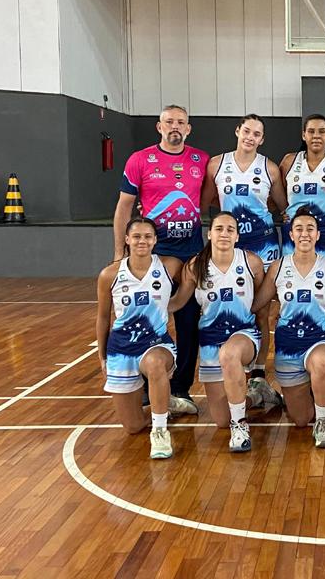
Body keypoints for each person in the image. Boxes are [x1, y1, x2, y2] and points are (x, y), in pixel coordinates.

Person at [113, 105, 210, 416]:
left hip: (192, 253)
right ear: (159, 127)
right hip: (154, 254)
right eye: (169, 122)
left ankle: (180, 388)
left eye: (181, 122)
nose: (175, 126)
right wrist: (120, 253)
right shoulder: (140, 159)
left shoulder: (200, 159)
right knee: (148, 321)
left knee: (189, 323)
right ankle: (146, 387)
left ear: (189, 128)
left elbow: (206, 201)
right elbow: (123, 208)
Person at [205, 114, 286, 413]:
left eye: (258, 134)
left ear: (262, 139)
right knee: (230, 307)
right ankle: (229, 363)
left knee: (262, 311)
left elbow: (280, 204)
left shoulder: (270, 168)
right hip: (230, 245)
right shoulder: (216, 164)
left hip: (262, 245)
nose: (251, 137)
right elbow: (206, 202)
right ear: (238, 131)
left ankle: (259, 376)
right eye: (247, 131)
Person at [170, 212, 266, 452]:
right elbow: (179, 301)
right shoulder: (195, 265)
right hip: (210, 341)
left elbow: (263, 313)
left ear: (237, 235)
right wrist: (153, 306)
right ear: (209, 233)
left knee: (230, 355)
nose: (224, 233)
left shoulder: (251, 262)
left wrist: (260, 362)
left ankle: (240, 425)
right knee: (221, 420)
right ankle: (257, 397)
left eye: (230, 229)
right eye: (220, 229)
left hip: (244, 335)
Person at [254, 206, 325, 448]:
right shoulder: (278, 267)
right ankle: (289, 393)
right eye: (299, 229)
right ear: (291, 234)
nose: (304, 234)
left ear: (317, 235)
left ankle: (324, 421)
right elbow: (258, 303)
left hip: (320, 340)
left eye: (310, 229)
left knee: (322, 362)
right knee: (301, 419)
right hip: (289, 346)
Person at [95, 217, 184, 459]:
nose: (141, 241)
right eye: (136, 236)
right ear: (126, 240)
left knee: (155, 363)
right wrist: (102, 357)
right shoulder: (109, 274)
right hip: (121, 349)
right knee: (133, 427)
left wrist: (173, 305)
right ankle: (165, 403)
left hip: (156, 343)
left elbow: (190, 283)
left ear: (155, 240)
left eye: (147, 236)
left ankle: (160, 430)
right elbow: (103, 318)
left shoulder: (170, 265)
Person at [279, 114, 325, 408]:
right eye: (311, 131)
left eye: (322, 131)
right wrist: (282, 214)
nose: (317, 136)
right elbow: (277, 196)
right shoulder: (288, 162)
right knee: (292, 305)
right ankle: (294, 371)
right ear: (304, 134)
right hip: (296, 243)